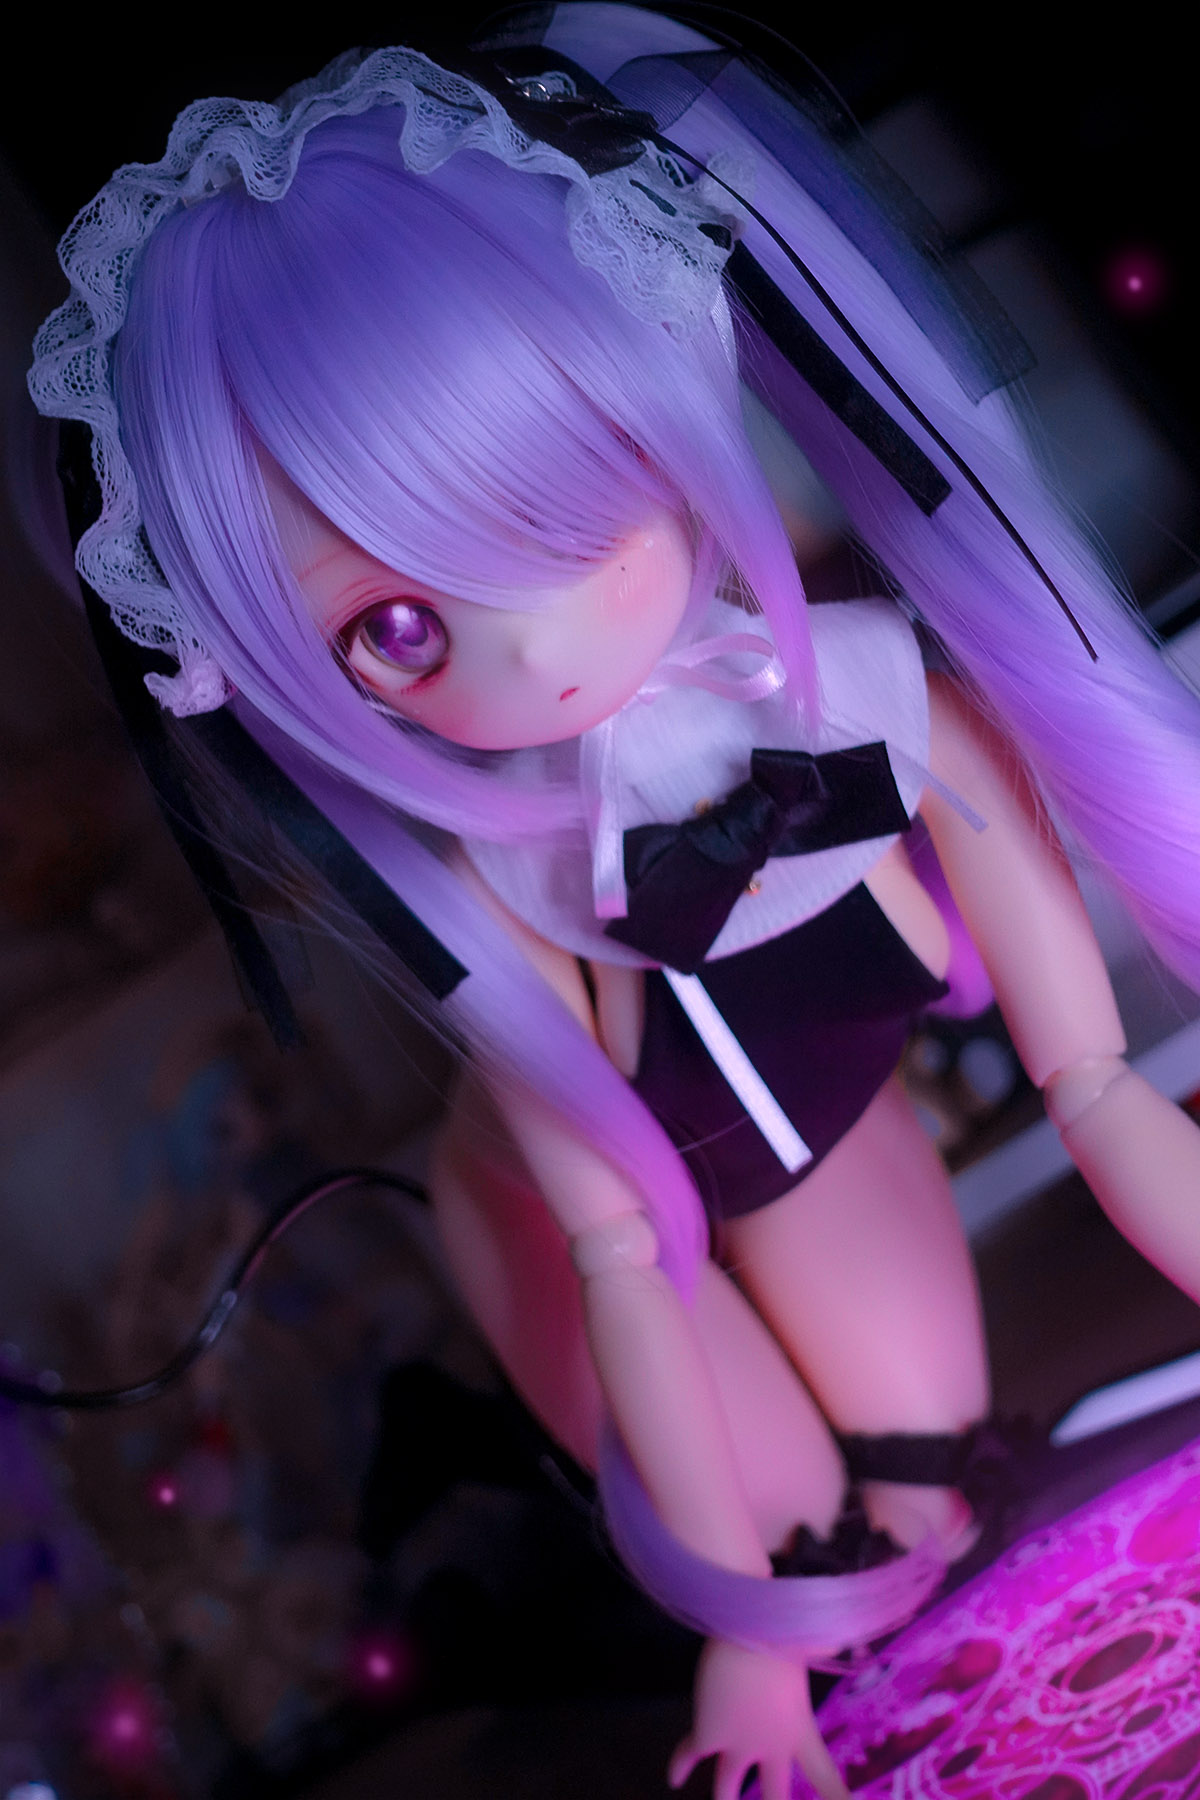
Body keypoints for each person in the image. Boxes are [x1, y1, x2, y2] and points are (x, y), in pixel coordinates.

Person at [29, 8, 1200, 1794]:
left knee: (926, 1486)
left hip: (818, 1156)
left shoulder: (882, 707)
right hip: (598, 1222)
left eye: (564, 507)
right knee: (828, 1565)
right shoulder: (508, 886)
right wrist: (753, 1637)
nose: (534, 656)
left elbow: (1095, 1079)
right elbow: (614, 1255)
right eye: (393, 629)